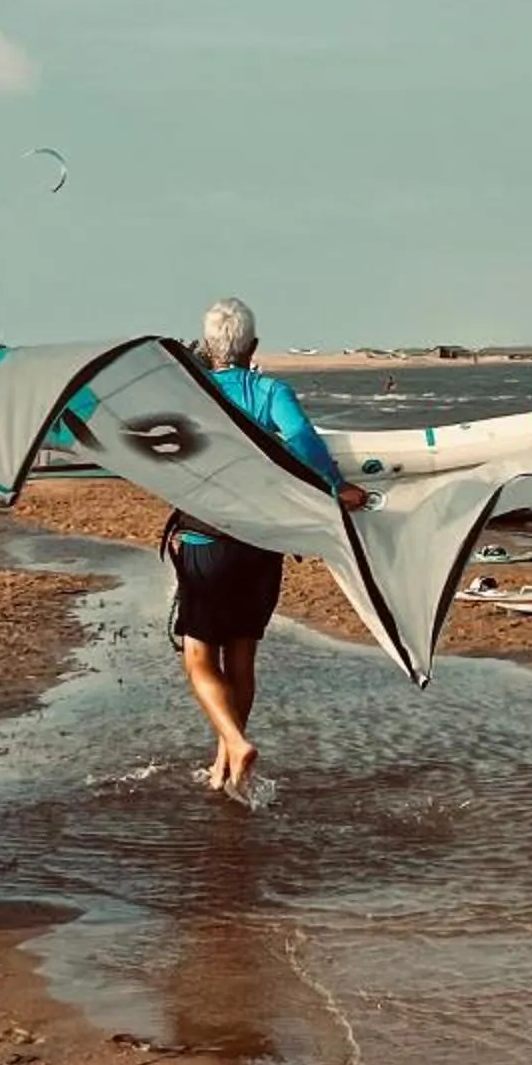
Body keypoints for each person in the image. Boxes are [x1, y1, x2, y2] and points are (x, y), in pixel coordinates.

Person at [167, 297, 366, 799]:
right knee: (242, 658)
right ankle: (226, 766)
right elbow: (299, 435)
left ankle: (234, 741)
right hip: (262, 542)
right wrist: (334, 485)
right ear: (253, 346)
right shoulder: (271, 390)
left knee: (197, 659)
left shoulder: (191, 395)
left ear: (207, 348)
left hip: (205, 539)